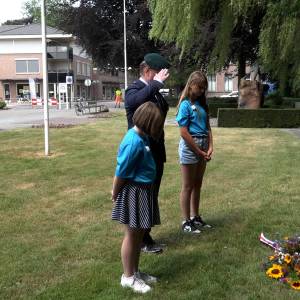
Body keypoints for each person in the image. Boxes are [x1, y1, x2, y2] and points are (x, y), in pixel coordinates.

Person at [111, 102, 164, 293]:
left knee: (140, 235)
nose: (158, 129)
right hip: (134, 192)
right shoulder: (133, 141)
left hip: (144, 191)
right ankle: (128, 277)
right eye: (157, 125)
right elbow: (121, 172)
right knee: (132, 235)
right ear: (148, 122)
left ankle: (135, 272)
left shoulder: (142, 137)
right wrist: (115, 192)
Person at [125, 53, 170, 253]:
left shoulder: (154, 90)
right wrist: (155, 85)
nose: (162, 77)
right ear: (146, 71)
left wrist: (155, 86)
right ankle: (141, 240)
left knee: (153, 196)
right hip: (142, 154)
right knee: (143, 197)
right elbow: (134, 102)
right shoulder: (134, 89)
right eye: (157, 73)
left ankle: (146, 235)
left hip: (156, 152)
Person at [176, 71, 213, 234]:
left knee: (198, 184)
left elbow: (208, 127)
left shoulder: (202, 104)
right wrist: (198, 150)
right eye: (200, 87)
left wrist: (210, 146)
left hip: (203, 144)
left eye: (204, 88)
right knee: (188, 185)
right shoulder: (184, 105)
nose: (202, 91)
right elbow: (183, 132)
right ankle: (186, 221)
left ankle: (195, 216)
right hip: (191, 145)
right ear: (191, 85)